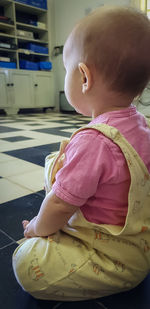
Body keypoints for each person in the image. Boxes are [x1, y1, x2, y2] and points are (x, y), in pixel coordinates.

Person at [12, 6, 150, 301]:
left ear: (84, 77)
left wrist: (38, 227)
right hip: (138, 244)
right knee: (58, 160)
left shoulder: (94, 141)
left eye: (66, 70)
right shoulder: (141, 125)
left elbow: (60, 205)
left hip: (110, 257)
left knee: (27, 263)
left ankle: (65, 240)